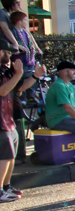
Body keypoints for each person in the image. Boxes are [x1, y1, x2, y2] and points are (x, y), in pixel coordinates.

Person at [0, 51, 44, 201]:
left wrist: (35, 75)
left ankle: (6, 186)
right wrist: (18, 73)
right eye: (7, 51)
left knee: (11, 156)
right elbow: (3, 90)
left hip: (10, 119)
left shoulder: (7, 71)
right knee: (4, 157)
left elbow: (20, 87)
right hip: (1, 121)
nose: (11, 54)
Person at [9, 10, 42, 76]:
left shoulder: (26, 32)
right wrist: (17, 46)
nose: (27, 22)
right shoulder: (12, 33)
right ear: (19, 21)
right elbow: (7, 45)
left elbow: (31, 43)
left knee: (31, 82)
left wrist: (36, 48)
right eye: (25, 20)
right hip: (20, 64)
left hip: (31, 62)